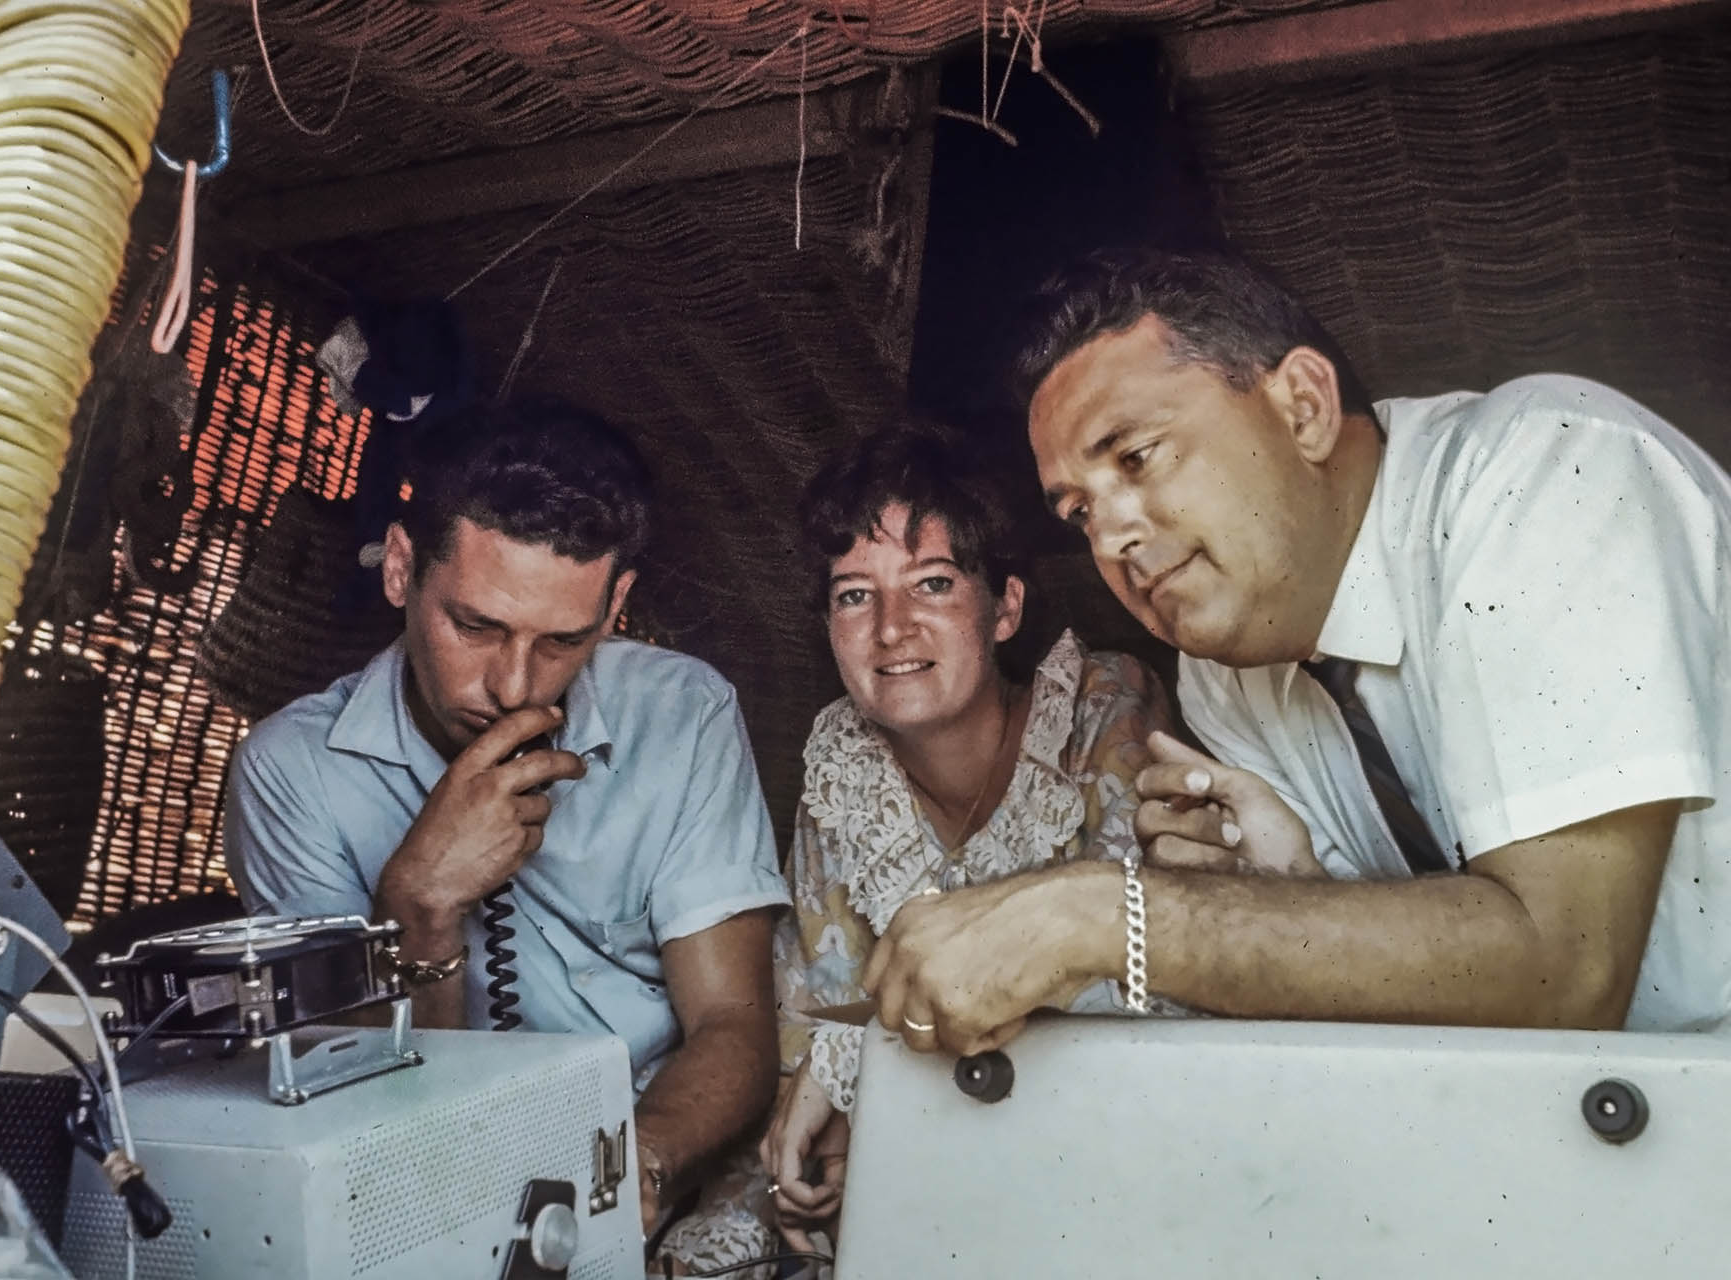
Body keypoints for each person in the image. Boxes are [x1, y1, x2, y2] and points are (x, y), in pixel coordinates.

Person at [863, 247, 1731, 1054]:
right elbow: (1426, 993)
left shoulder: (1546, 472)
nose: (1112, 537)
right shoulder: (1224, 677)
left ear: (1304, 408)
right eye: (1080, 512)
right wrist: (1290, 890)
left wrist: (1105, 916)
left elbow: (1565, 974)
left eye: (1137, 456)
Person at [223, 398, 790, 1243]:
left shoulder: (684, 712)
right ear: (401, 569)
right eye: (476, 627)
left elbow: (733, 1025)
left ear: (615, 604)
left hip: (655, 1177)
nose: (515, 687)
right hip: (422, 1195)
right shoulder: (291, 773)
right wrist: (421, 902)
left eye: (562, 642)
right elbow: (356, 1113)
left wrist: (634, 1168)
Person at [759, 424, 1176, 1249]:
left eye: (933, 583)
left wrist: (849, 1063)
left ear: (1005, 608)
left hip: (1117, 1169)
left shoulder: (1101, 712)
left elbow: (1141, 992)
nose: (891, 628)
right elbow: (811, 1016)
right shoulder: (842, 770)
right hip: (929, 1171)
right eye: (854, 595)